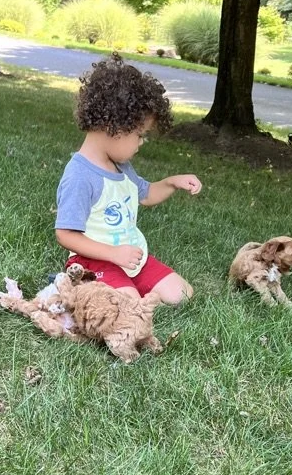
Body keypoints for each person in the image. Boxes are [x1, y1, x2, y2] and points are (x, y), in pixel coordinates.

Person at [55, 54, 201, 305]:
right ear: (114, 125)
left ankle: (128, 285)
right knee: (126, 306)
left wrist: (171, 182)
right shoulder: (80, 175)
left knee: (183, 295)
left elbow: (145, 195)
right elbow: (66, 235)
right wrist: (113, 254)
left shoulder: (121, 166)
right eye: (139, 134)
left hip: (133, 258)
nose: (142, 142)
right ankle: (85, 286)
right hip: (94, 261)